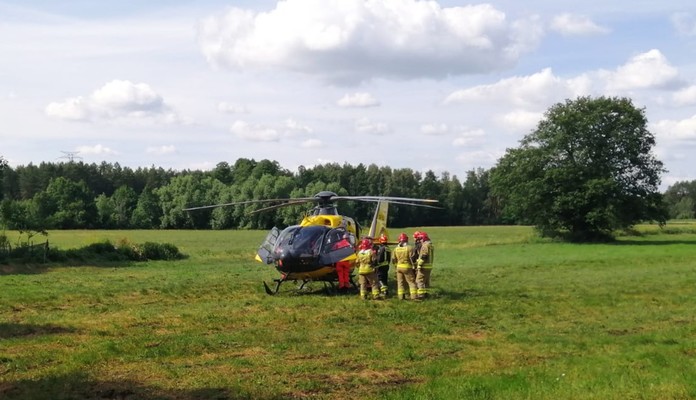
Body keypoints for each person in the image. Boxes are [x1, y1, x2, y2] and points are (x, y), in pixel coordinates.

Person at [391, 232, 418, 300]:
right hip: (407, 267)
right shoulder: (409, 248)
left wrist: (395, 266)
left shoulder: (396, 249)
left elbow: (393, 259)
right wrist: (414, 266)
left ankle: (401, 297)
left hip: (398, 267)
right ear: (406, 240)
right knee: (411, 282)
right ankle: (414, 296)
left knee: (400, 282)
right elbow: (412, 258)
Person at [414, 231, 434, 299]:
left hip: (424, 266)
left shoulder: (425, 245)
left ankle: (421, 295)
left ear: (423, 238)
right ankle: (426, 294)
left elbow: (424, 255)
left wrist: (419, 264)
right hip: (429, 266)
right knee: (426, 281)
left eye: (420, 239)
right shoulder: (430, 245)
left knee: (419, 280)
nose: (420, 241)